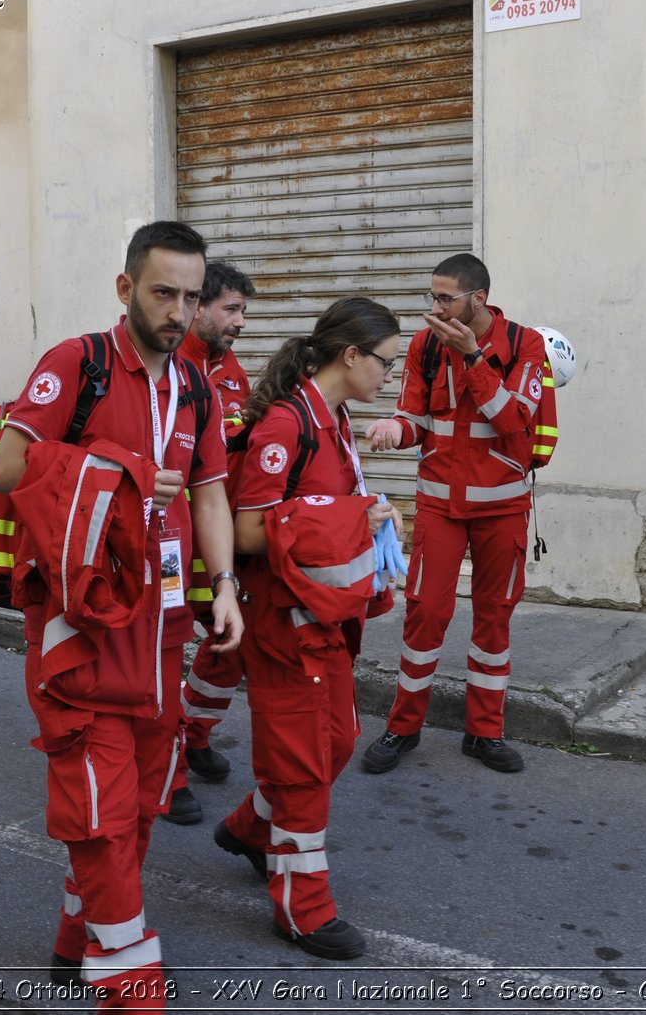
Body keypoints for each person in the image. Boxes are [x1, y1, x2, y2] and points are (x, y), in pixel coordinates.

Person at [0, 220, 244, 1007]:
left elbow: (210, 491)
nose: (179, 310)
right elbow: (7, 465)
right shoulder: (79, 363)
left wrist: (225, 583)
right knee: (99, 806)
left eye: (191, 296)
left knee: (138, 803)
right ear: (126, 288)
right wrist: (129, 473)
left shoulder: (196, 384)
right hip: (82, 623)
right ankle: (130, 979)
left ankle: (80, 934)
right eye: (164, 292)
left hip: (163, 625)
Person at [212, 296, 401, 960]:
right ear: (350, 356)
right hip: (282, 622)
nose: (390, 376)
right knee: (301, 765)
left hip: (321, 618)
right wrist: (352, 519)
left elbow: (313, 509)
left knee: (337, 740)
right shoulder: (286, 426)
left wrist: (362, 513)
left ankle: (247, 829)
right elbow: (245, 529)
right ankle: (302, 909)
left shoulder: (335, 417)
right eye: (385, 362)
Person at [361, 252, 548, 775]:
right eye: (432, 297)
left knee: (494, 619)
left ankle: (484, 733)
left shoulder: (524, 345)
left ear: (477, 300)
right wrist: (395, 431)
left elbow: (514, 422)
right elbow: (414, 417)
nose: (434, 308)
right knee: (425, 613)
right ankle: (403, 727)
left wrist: (472, 359)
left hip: (503, 509)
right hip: (440, 504)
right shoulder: (424, 345)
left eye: (445, 298)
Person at [163, 261, 254, 826]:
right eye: (231, 309)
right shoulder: (170, 367)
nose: (240, 322)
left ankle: (192, 735)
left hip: (221, 540)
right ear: (197, 308)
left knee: (230, 644)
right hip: (174, 540)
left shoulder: (230, 368)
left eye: (244, 311)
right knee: (163, 655)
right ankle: (166, 774)